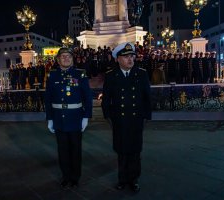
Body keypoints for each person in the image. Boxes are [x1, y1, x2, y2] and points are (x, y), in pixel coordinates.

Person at [101, 43, 152, 193]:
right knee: (122, 151)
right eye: (126, 56)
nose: (130, 59)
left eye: (132, 56)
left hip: (136, 119)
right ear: (118, 59)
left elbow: (147, 98)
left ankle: (134, 179)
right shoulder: (111, 75)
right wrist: (108, 117)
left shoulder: (141, 74)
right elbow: (106, 100)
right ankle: (122, 179)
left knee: (135, 151)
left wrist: (146, 117)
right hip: (119, 120)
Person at [45, 47, 93, 189]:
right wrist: (50, 118)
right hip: (59, 118)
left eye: (69, 57)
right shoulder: (52, 76)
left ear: (73, 59)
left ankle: (75, 177)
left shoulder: (80, 75)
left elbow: (87, 98)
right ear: (58, 60)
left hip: (75, 118)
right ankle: (66, 176)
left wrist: (86, 117)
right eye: (63, 56)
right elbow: (48, 99)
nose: (66, 58)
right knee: (63, 150)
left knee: (75, 149)